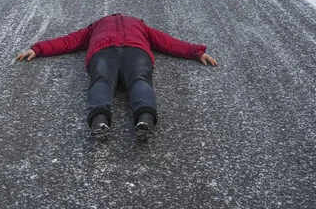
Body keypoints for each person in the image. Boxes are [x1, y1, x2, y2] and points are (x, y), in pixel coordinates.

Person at [16, 13, 217, 140]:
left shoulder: (128, 25)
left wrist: (196, 52)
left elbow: (168, 42)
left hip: (122, 51)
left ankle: (130, 119)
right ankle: (114, 120)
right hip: (117, 52)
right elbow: (69, 41)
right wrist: (38, 49)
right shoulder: (109, 25)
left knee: (122, 80)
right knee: (121, 80)